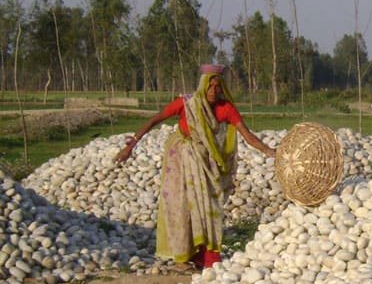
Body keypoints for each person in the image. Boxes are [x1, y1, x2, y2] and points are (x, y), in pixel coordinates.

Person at [114, 64, 276, 271]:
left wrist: (270, 151)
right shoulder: (187, 103)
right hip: (181, 160)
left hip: (206, 164)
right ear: (202, 86)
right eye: (210, 86)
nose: (213, 91)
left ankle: (206, 258)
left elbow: (247, 135)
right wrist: (131, 146)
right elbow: (155, 119)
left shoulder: (225, 108)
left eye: (218, 87)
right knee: (181, 206)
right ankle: (182, 258)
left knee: (208, 207)